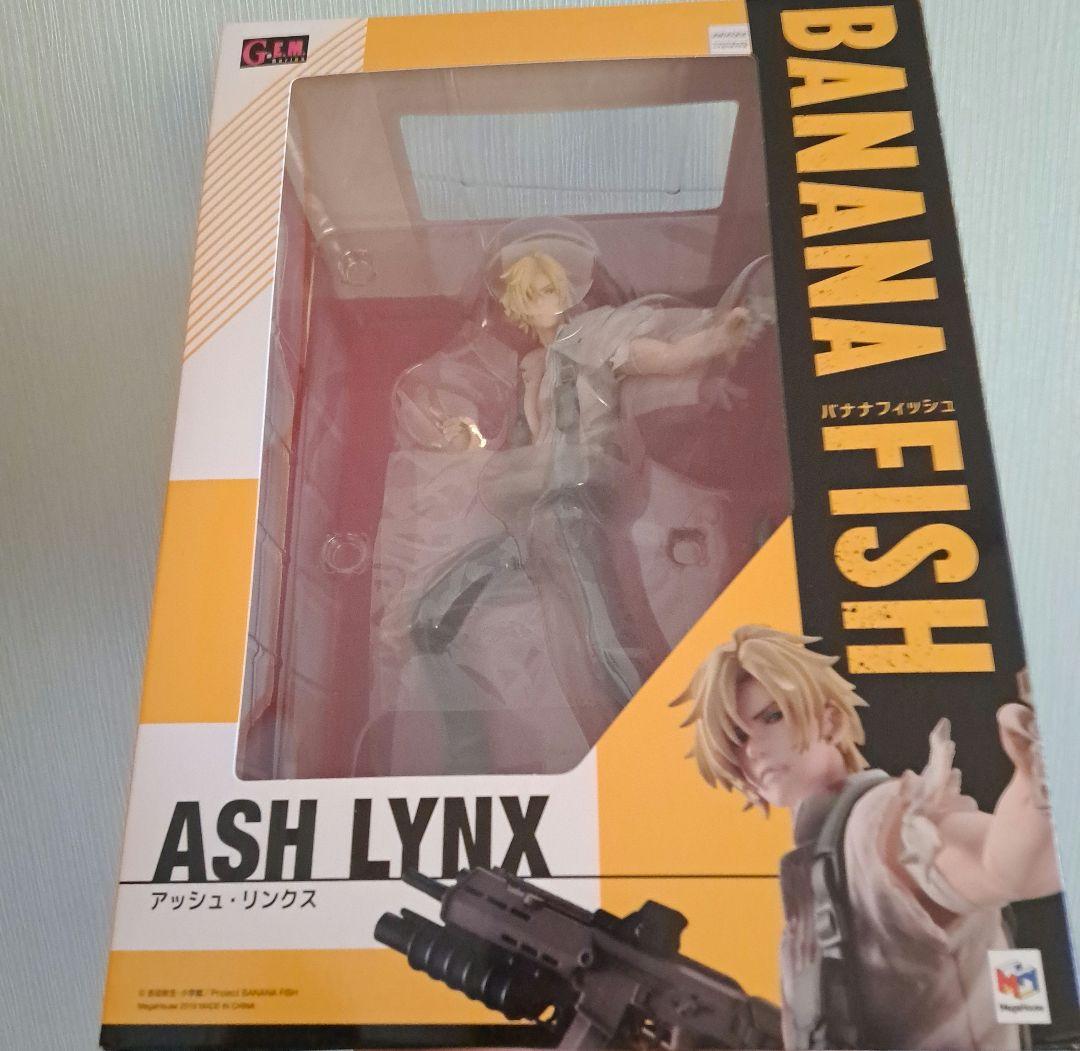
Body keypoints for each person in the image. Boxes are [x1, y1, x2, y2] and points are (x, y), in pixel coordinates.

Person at [674, 624, 1061, 1051]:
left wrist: (1040, 778)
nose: (754, 749)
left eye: (772, 716)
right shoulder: (820, 857)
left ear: (829, 719)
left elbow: (996, 866)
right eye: (737, 738)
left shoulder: (876, 823)